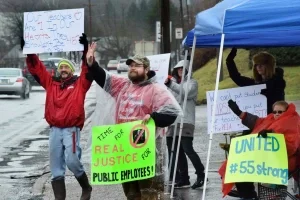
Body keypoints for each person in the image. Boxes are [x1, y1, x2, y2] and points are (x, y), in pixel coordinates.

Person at [86, 43, 182, 200]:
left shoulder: (156, 89)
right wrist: (92, 63)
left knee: (149, 193)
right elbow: (103, 78)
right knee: (131, 193)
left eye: (137, 66)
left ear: (146, 69)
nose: (132, 68)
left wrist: (153, 116)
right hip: (125, 149)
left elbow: (172, 113)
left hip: (147, 150)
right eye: (130, 65)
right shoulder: (123, 86)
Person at [22, 34, 93, 200]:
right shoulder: (50, 83)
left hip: (71, 130)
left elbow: (87, 69)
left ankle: (86, 187)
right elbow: (36, 68)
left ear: (71, 70)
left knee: (73, 161)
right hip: (54, 130)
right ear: (57, 70)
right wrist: (30, 52)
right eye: (61, 67)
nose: (63, 69)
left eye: (66, 67)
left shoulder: (79, 84)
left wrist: (84, 49)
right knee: (56, 168)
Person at [219, 99, 300, 199]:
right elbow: (257, 122)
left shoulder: (292, 123)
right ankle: (248, 196)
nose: (277, 114)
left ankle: (269, 196)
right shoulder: (270, 119)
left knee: (267, 183)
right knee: (240, 168)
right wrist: (239, 113)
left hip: (282, 163)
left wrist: (273, 135)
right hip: (264, 159)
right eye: (274, 112)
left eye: (280, 112)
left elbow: (291, 147)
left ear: (286, 111)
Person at [164, 60, 206, 189]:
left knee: (187, 149)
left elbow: (185, 93)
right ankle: (183, 178)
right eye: (178, 68)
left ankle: (201, 174)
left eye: (183, 68)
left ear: (188, 69)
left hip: (186, 120)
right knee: (175, 151)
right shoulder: (173, 84)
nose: (180, 70)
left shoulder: (192, 83)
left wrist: (170, 84)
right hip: (172, 121)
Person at [226, 48, 286, 114]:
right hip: (262, 121)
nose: (259, 67)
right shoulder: (257, 83)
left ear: (269, 65)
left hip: (274, 120)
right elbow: (237, 78)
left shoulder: (278, 83)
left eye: (262, 64)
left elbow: (268, 87)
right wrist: (230, 60)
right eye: (257, 64)